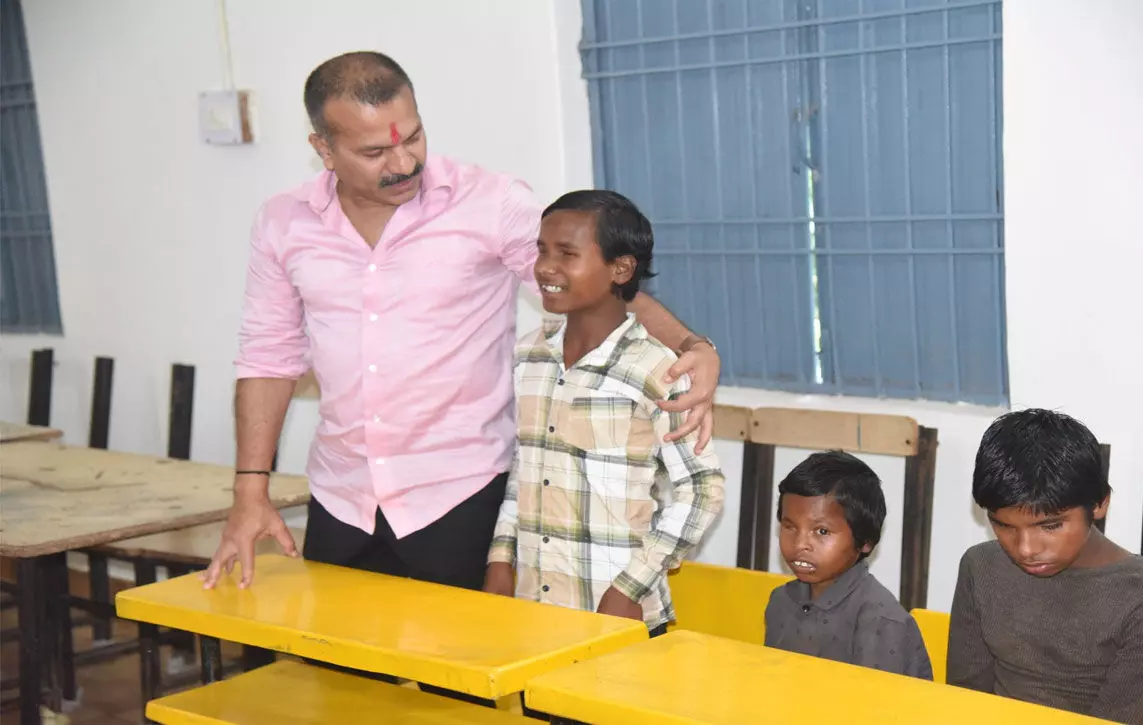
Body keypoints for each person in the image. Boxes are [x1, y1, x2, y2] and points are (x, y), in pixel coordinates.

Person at [200, 52, 722, 593]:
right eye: (375, 152)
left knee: (466, 652)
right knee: (334, 649)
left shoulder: (488, 203)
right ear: (324, 150)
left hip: (462, 498)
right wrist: (250, 490)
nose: (403, 162)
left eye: (413, 137)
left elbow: (594, 288)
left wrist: (693, 345)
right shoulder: (284, 222)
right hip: (342, 497)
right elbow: (268, 357)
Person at [483, 190, 724, 636]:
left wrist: (628, 589)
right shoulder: (530, 356)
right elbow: (526, 467)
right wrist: (501, 558)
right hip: (535, 611)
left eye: (566, 253)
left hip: (619, 615)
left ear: (621, 268)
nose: (545, 267)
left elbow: (702, 489)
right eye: (542, 250)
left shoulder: (657, 369)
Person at [948, 408, 1143, 724]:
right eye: (1004, 526)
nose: (1026, 549)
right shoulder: (980, 567)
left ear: (1100, 503)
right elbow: (965, 700)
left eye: (1050, 526)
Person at [763, 451, 933, 680]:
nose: (800, 544)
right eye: (790, 526)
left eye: (821, 531)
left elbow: (875, 702)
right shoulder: (780, 602)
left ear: (865, 541)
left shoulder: (879, 622)